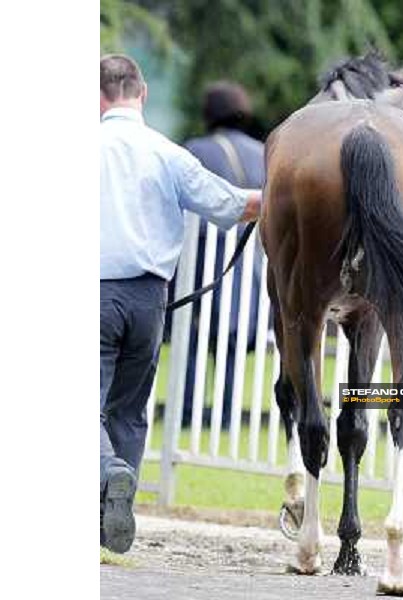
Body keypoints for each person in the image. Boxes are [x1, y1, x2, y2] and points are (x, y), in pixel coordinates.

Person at [100, 55, 261, 554]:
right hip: (150, 299)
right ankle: (106, 525)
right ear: (142, 93)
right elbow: (235, 205)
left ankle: (109, 473)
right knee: (127, 413)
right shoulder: (166, 153)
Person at [179, 82, 265, 428]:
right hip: (250, 259)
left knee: (193, 338)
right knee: (231, 341)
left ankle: (186, 413)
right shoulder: (263, 152)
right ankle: (227, 418)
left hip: (204, 256)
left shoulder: (196, 149)